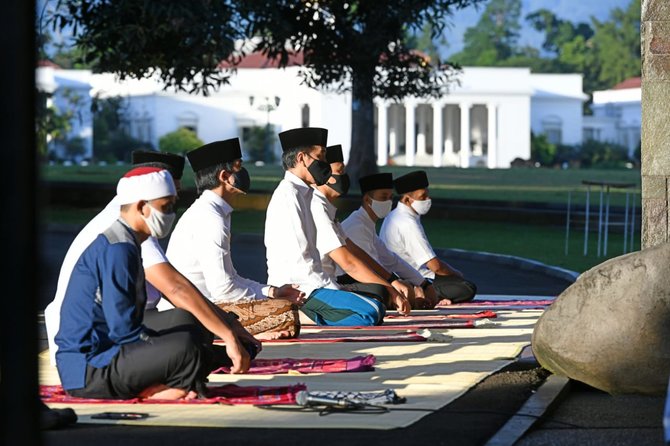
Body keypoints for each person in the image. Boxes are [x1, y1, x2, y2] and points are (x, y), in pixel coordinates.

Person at [44, 150, 260, 366]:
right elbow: (173, 288)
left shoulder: (133, 221)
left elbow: (175, 288)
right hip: (94, 340)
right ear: (144, 201)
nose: (171, 210)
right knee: (188, 334)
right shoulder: (124, 227)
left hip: (116, 329)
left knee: (193, 330)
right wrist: (229, 333)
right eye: (166, 203)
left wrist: (229, 324)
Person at [166, 138, 303, 339]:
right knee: (284, 313)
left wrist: (272, 292)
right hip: (198, 312)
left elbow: (231, 278)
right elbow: (224, 289)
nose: (243, 172)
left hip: (211, 304)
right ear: (224, 176)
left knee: (282, 307)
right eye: (238, 167)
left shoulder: (213, 211)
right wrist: (264, 303)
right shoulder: (210, 217)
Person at [264, 127, 387, 326]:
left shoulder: (304, 194)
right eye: (320, 156)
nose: (325, 164)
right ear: (302, 158)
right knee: (369, 312)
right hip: (300, 290)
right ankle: (291, 317)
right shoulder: (288, 196)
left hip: (314, 285)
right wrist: (332, 290)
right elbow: (302, 263)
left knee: (375, 307)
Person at [311, 145, 410, 314]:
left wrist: (392, 281)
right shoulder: (316, 206)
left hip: (330, 283)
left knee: (383, 292)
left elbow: (356, 252)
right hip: (315, 288)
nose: (344, 177)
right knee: (378, 299)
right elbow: (348, 262)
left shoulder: (327, 208)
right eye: (339, 172)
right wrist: (390, 288)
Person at [339, 172, 440, 309]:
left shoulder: (367, 225)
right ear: (368, 200)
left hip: (365, 280)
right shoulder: (357, 226)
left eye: (390, 197)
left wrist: (423, 284)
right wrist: (396, 284)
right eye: (383, 197)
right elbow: (370, 268)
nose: (388, 202)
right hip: (346, 281)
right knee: (390, 291)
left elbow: (391, 260)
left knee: (405, 287)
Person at [380, 170, 477, 304]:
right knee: (467, 287)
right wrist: (456, 274)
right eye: (422, 197)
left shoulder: (396, 215)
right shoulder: (406, 222)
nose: (427, 200)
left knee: (458, 282)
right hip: (413, 279)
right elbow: (434, 266)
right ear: (408, 199)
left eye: (427, 195)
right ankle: (422, 294)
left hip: (408, 275)